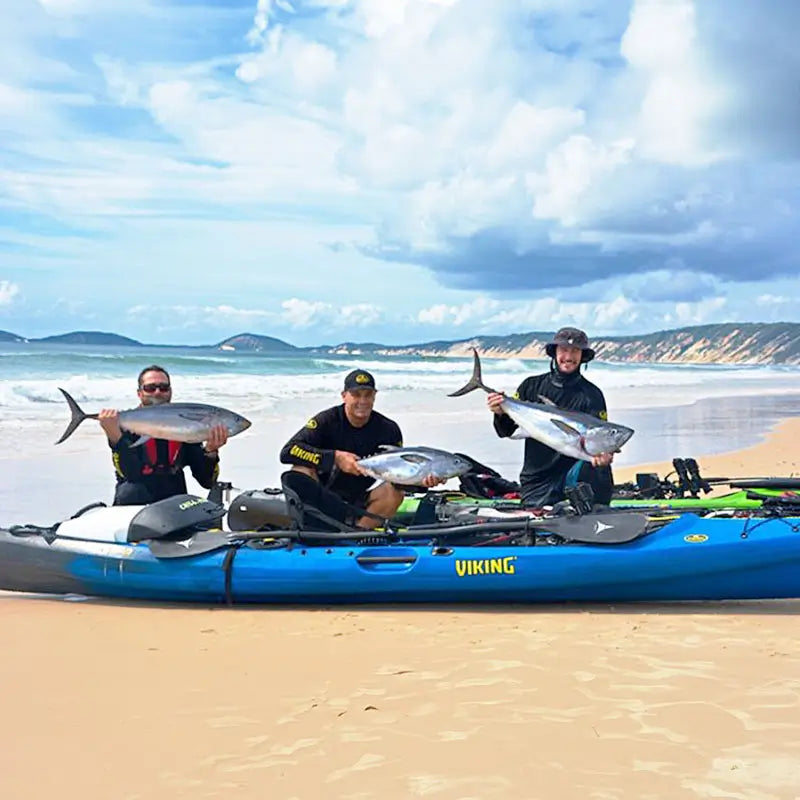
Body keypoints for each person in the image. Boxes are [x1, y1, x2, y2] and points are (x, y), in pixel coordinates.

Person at [280, 369, 441, 529]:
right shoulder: (326, 420)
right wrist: (335, 458)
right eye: (356, 395)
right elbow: (288, 451)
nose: (362, 401)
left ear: (374, 396)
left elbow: (398, 477)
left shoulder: (388, 429)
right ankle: (315, 529)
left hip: (362, 496)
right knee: (300, 470)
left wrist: (422, 481)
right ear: (344, 396)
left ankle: (357, 535)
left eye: (368, 395)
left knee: (394, 493)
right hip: (322, 494)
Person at [487, 327, 614, 508]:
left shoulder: (592, 395)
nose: (568, 357)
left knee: (598, 468)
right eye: (563, 350)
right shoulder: (531, 386)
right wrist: (499, 413)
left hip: (573, 473)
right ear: (554, 352)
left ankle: (597, 512)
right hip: (537, 478)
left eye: (575, 351)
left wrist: (605, 456)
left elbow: (600, 435)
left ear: (582, 356)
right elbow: (506, 431)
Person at [98, 365, 228, 506]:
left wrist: (211, 451)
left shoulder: (185, 427)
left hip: (174, 505)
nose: (157, 392)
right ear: (139, 393)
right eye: (150, 388)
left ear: (170, 391)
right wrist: (116, 439)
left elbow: (207, 482)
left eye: (163, 387)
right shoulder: (124, 424)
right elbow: (130, 474)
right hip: (132, 504)